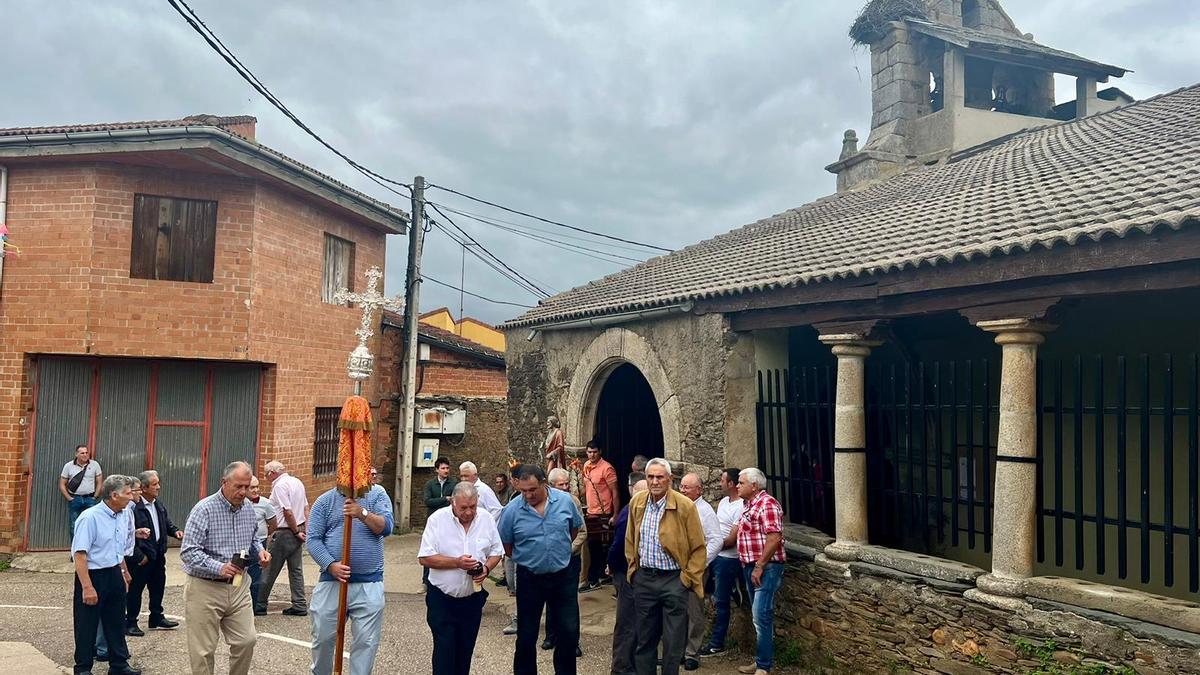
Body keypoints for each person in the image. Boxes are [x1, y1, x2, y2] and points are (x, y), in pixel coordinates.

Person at [181, 461, 270, 675]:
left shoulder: (248, 508)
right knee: (203, 651)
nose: (243, 492)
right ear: (224, 482)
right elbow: (188, 552)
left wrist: (259, 551)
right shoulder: (203, 509)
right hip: (205, 588)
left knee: (247, 640)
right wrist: (219, 567)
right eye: (238, 486)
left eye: (247, 487)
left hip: (239, 585)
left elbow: (253, 538)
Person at [498, 464, 584, 675]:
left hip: (563, 576)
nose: (528, 495)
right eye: (523, 490)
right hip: (530, 578)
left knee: (568, 631)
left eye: (532, 490)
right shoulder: (511, 511)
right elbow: (507, 545)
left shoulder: (565, 502)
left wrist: (556, 551)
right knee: (527, 634)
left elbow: (573, 530)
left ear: (544, 483)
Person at [625, 458, 706, 675]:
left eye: (660, 477)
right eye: (650, 476)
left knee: (672, 643)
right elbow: (631, 539)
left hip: (673, 580)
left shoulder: (685, 506)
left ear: (670, 479)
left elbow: (699, 548)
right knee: (645, 640)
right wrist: (634, 571)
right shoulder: (637, 502)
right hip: (645, 579)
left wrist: (686, 579)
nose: (654, 481)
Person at [306, 475, 394, 675]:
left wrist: (361, 513)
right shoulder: (325, 501)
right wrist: (330, 565)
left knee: (366, 642)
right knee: (322, 638)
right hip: (332, 582)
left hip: (369, 582)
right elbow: (313, 540)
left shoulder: (378, 495)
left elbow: (386, 527)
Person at [418, 481, 504, 675]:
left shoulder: (486, 519)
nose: (468, 512)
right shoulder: (437, 520)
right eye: (463, 507)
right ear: (453, 503)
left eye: (472, 507)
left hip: (472, 599)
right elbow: (424, 558)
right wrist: (456, 563)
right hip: (442, 598)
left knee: (465, 652)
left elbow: (496, 551)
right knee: (444, 651)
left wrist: (487, 569)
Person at [72, 474, 141, 675]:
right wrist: (87, 587)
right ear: (114, 495)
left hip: (113, 572)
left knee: (116, 621)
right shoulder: (90, 517)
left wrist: (124, 572)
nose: (131, 497)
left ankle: (119, 664)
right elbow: (80, 555)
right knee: (87, 624)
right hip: (93, 575)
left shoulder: (121, 514)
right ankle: (83, 668)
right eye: (128, 493)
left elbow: (116, 548)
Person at [735, 468, 786, 675]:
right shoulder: (749, 504)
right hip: (752, 565)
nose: (737, 485)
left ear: (754, 485)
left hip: (766, 567)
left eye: (741, 482)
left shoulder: (768, 504)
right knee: (760, 615)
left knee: (760, 614)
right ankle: (761, 660)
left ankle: (764, 666)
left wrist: (760, 565)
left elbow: (774, 537)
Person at [125, 470, 183, 636]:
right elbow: (128, 535)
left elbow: (166, 523)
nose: (158, 487)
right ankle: (131, 622)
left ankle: (156, 616)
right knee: (135, 590)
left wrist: (176, 532)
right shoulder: (134, 507)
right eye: (155, 484)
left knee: (158, 587)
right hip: (142, 558)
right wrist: (139, 556)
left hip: (158, 555)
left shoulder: (157, 503)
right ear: (143, 488)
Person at [678, 473, 724, 671]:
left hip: (695, 569)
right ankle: (678, 650)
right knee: (676, 610)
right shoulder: (679, 505)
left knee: (694, 610)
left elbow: (716, 540)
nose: (683, 490)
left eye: (687, 487)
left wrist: (700, 564)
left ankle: (691, 654)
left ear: (699, 490)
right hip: (677, 567)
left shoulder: (705, 511)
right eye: (681, 486)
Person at [700, 467, 744, 658]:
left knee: (721, 601)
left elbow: (731, 538)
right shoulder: (724, 502)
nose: (719, 483)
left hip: (728, 559)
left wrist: (711, 545)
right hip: (716, 555)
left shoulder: (741, 506)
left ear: (731, 484)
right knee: (711, 595)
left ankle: (717, 644)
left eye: (722, 480)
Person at [543, 468, 586, 657]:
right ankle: (550, 636)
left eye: (567, 484)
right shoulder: (542, 502)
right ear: (551, 486)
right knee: (550, 598)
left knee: (569, 601)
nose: (566, 487)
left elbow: (582, 532)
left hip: (569, 559)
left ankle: (571, 642)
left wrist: (567, 551)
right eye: (561, 484)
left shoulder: (573, 502)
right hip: (549, 559)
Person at [258, 460, 309, 616]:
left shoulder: (279, 486)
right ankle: (300, 604)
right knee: (296, 570)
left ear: (272, 473)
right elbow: (306, 507)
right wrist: (305, 530)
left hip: (286, 531)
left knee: (269, 568)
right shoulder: (297, 482)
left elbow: (287, 511)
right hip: (299, 528)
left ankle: (259, 604)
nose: (266, 479)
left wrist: (294, 531)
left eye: (266, 475)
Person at [608, 478, 647, 675]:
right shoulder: (628, 513)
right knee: (627, 622)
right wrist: (614, 569)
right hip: (626, 574)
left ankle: (633, 663)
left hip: (636, 575)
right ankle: (622, 667)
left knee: (638, 622)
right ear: (632, 491)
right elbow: (618, 548)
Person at [579, 441, 619, 593]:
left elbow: (614, 492)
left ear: (600, 451)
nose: (592, 455)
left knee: (599, 545)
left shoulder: (607, 468)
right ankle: (599, 575)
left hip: (604, 513)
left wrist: (615, 514)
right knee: (593, 546)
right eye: (589, 452)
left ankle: (595, 578)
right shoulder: (586, 466)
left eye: (594, 452)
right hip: (591, 511)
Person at [247, 475, 277, 616]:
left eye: (257, 486)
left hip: (259, 543)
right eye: (252, 487)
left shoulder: (265, 503)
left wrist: (262, 537)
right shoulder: (238, 504)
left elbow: (273, 524)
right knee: (238, 576)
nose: (256, 490)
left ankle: (254, 607)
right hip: (242, 545)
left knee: (256, 577)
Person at [61, 444, 104, 536]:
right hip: (75, 499)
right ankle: (75, 549)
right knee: (74, 524)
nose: (85, 455)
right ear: (76, 454)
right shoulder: (68, 466)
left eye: (86, 452)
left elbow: (100, 481)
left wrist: (95, 496)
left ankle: (89, 548)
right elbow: (62, 484)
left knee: (91, 524)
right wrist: (69, 498)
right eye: (82, 453)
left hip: (90, 499)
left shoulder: (94, 465)